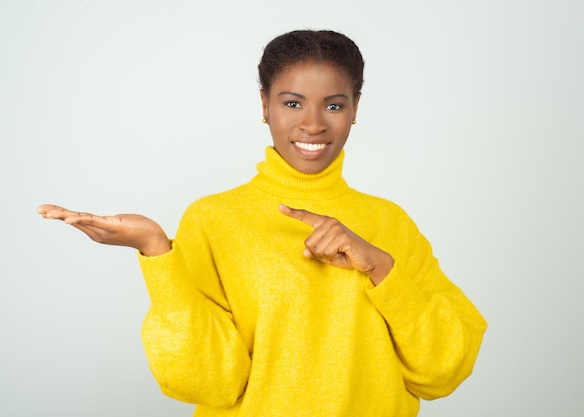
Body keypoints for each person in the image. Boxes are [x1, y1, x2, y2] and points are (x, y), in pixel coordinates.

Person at [38, 30, 487, 417]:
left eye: (333, 105)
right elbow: (205, 381)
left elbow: (442, 370)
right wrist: (156, 249)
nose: (312, 124)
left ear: (355, 109)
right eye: (292, 103)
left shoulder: (391, 222)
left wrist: (380, 268)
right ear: (265, 105)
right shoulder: (213, 218)